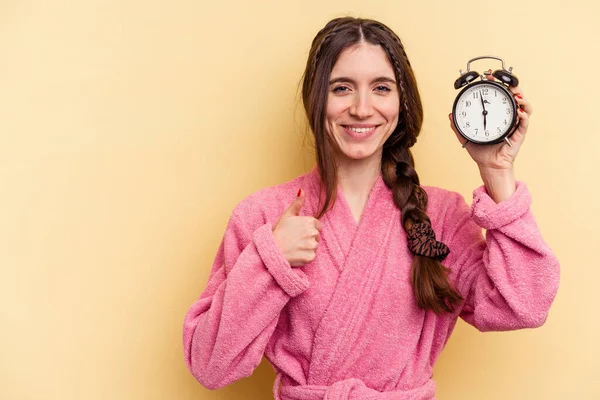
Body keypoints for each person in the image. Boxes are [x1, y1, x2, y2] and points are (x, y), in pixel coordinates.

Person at [182, 16, 560, 400]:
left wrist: (497, 170)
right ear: (316, 98)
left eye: (381, 88)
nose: (362, 109)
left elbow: (523, 306)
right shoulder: (265, 215)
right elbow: (210, 364)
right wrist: (271, 260)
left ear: (401, 101)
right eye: (342, 88)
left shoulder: (441, 217)